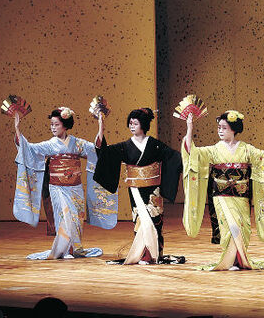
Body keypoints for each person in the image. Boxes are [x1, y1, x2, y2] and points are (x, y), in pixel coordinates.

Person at [12, 107, 118, 259]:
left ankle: (73, 248)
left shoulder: (77, 143)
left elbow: (96, 150)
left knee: (76, 218)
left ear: (65, 125)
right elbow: (29, 149)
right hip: (57, 187)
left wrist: (101, 126)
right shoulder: (50, 144)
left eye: (56, 124)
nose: (53, 127)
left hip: (75, 188)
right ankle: (63, 249)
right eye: (52, 124)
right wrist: (17, 128)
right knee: (64, 217)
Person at [181, 111, 264, 271]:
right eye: (219, 127)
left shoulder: (246, 149)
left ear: (233, 129)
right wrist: (189, 128)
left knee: (242, 227)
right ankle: (230, 261)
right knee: (228, 227)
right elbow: (192, 153)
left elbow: (262, 157)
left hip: (241, 196)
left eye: (224, 128)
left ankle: (240, 260)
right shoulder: (213, 150)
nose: (220, 130)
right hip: (221, 196)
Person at [94, 108, 184, 264]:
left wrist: (188, 154)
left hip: (153, 188)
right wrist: (101, 128)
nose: (132, 126)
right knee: (140, 221)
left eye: (135, 123)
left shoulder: (154, 144)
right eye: (130, 123)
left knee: (154, 220)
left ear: (143, 125)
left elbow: (174, 157)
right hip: (135, 189)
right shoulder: (125, 146)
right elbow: (105, 153)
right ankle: (142, 254)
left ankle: (154, 254)